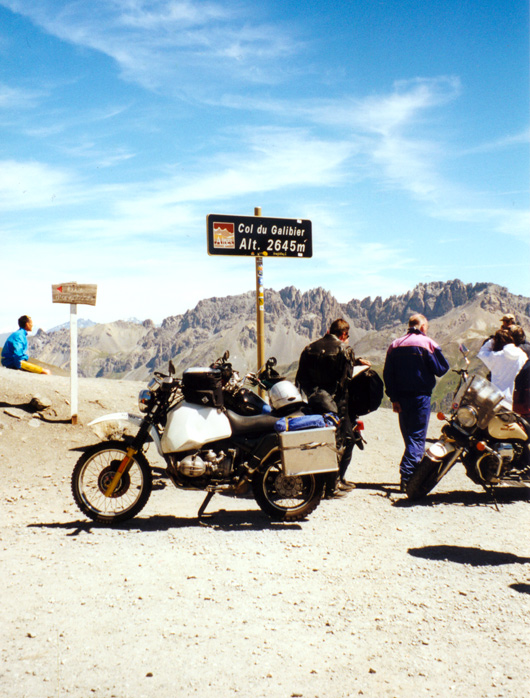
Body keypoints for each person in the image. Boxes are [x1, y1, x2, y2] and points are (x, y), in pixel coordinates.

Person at [295, 318, 370, 495]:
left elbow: (301, 378)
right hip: (336, 405)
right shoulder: (344, 350)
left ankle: (316, 483)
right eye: (348, 335)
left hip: (314, 401)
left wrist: (314, 395)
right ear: (344, 334)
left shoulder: (310, 348)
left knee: (316, 442)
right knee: (344, 441)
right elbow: (345, 382)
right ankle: (332, 486)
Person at [383, 314, 449, 491]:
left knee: (410, 438)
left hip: (401, 398)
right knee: (417, 438)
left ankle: (411, 475)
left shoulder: (395, 345)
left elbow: (388, 375)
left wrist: (394, 398)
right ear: (422, 327)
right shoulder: (427, 343)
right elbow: (442, 368)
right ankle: (408, 478)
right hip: (420, 397)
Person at [477, 329, 526, 407]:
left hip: (495, 397)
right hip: (510, 399)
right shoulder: (522, 355)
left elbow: (482, 353)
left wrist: (492, 341)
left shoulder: (496, 357)